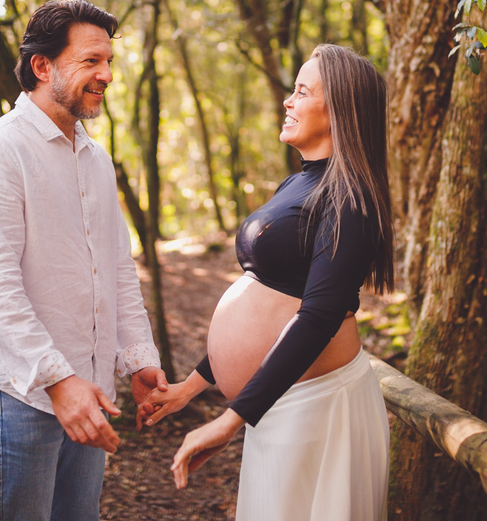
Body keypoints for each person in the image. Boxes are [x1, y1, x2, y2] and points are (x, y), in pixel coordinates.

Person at [139, 43, 395, 521]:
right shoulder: (298, 183)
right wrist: (190, 388)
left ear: (339, 109)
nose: (287, 101)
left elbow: (317, 317)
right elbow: (267, 305)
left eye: (301, 91)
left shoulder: (351, 199)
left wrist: (231, 419)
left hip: (318, 409)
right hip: (278, 404)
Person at [0, 0, 167, 521]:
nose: (106, 75)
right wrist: (57, 381)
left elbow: (115, 269)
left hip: (90, 389)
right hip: (18, 393)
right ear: (43, 66)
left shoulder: (95, 158)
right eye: (90, 61)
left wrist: (138, 358)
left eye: (108, 62)